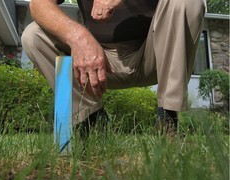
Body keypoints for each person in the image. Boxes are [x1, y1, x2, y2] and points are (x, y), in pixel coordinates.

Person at [22, 0, 205, 137]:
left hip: (154, 55)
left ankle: (168, 118)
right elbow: (38, 5)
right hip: (98, 64)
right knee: (33, 36)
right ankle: (90, 120)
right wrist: (79, 37)